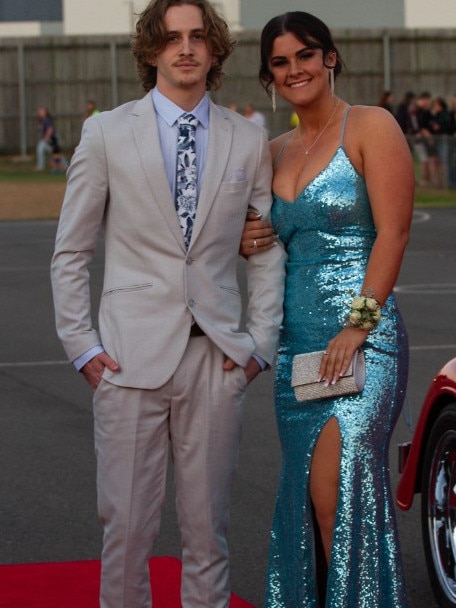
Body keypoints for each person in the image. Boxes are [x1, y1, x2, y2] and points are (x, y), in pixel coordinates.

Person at [50, 1, 285, 607]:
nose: (185, 48)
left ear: (214, 50)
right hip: (127, 361)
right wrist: (82, 347)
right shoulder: (105, 133)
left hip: (217, 360)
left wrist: (259, 345)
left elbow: (264, 249)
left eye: (197, 37)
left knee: (209, 532)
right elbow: (70, 251)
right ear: (152, 49)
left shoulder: (247, 138)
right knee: (126, 531)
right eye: (172, 37)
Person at [240, 11, 414, 607]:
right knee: (306, 499)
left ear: (330, 58)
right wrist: (246, 239)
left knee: (336, 493)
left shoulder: (371, 126)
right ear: (269, 75)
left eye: (306, 55)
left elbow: (392, 235)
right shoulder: (270, 152)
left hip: (363, 341)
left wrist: (356, 327)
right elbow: (252, 240)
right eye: (281, 62)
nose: (296, 69)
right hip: (298, 349)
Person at [35, 106, 55, 171]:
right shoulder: (42, 121)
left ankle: (40, 166)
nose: (39, 113)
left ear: (45, 112)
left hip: (48, 139)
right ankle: (64, 165)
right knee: (53, 151)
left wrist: (46, 138)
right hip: (45, 139)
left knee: (40, 149)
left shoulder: (47, 120)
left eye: (41, 111)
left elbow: (50, 129)